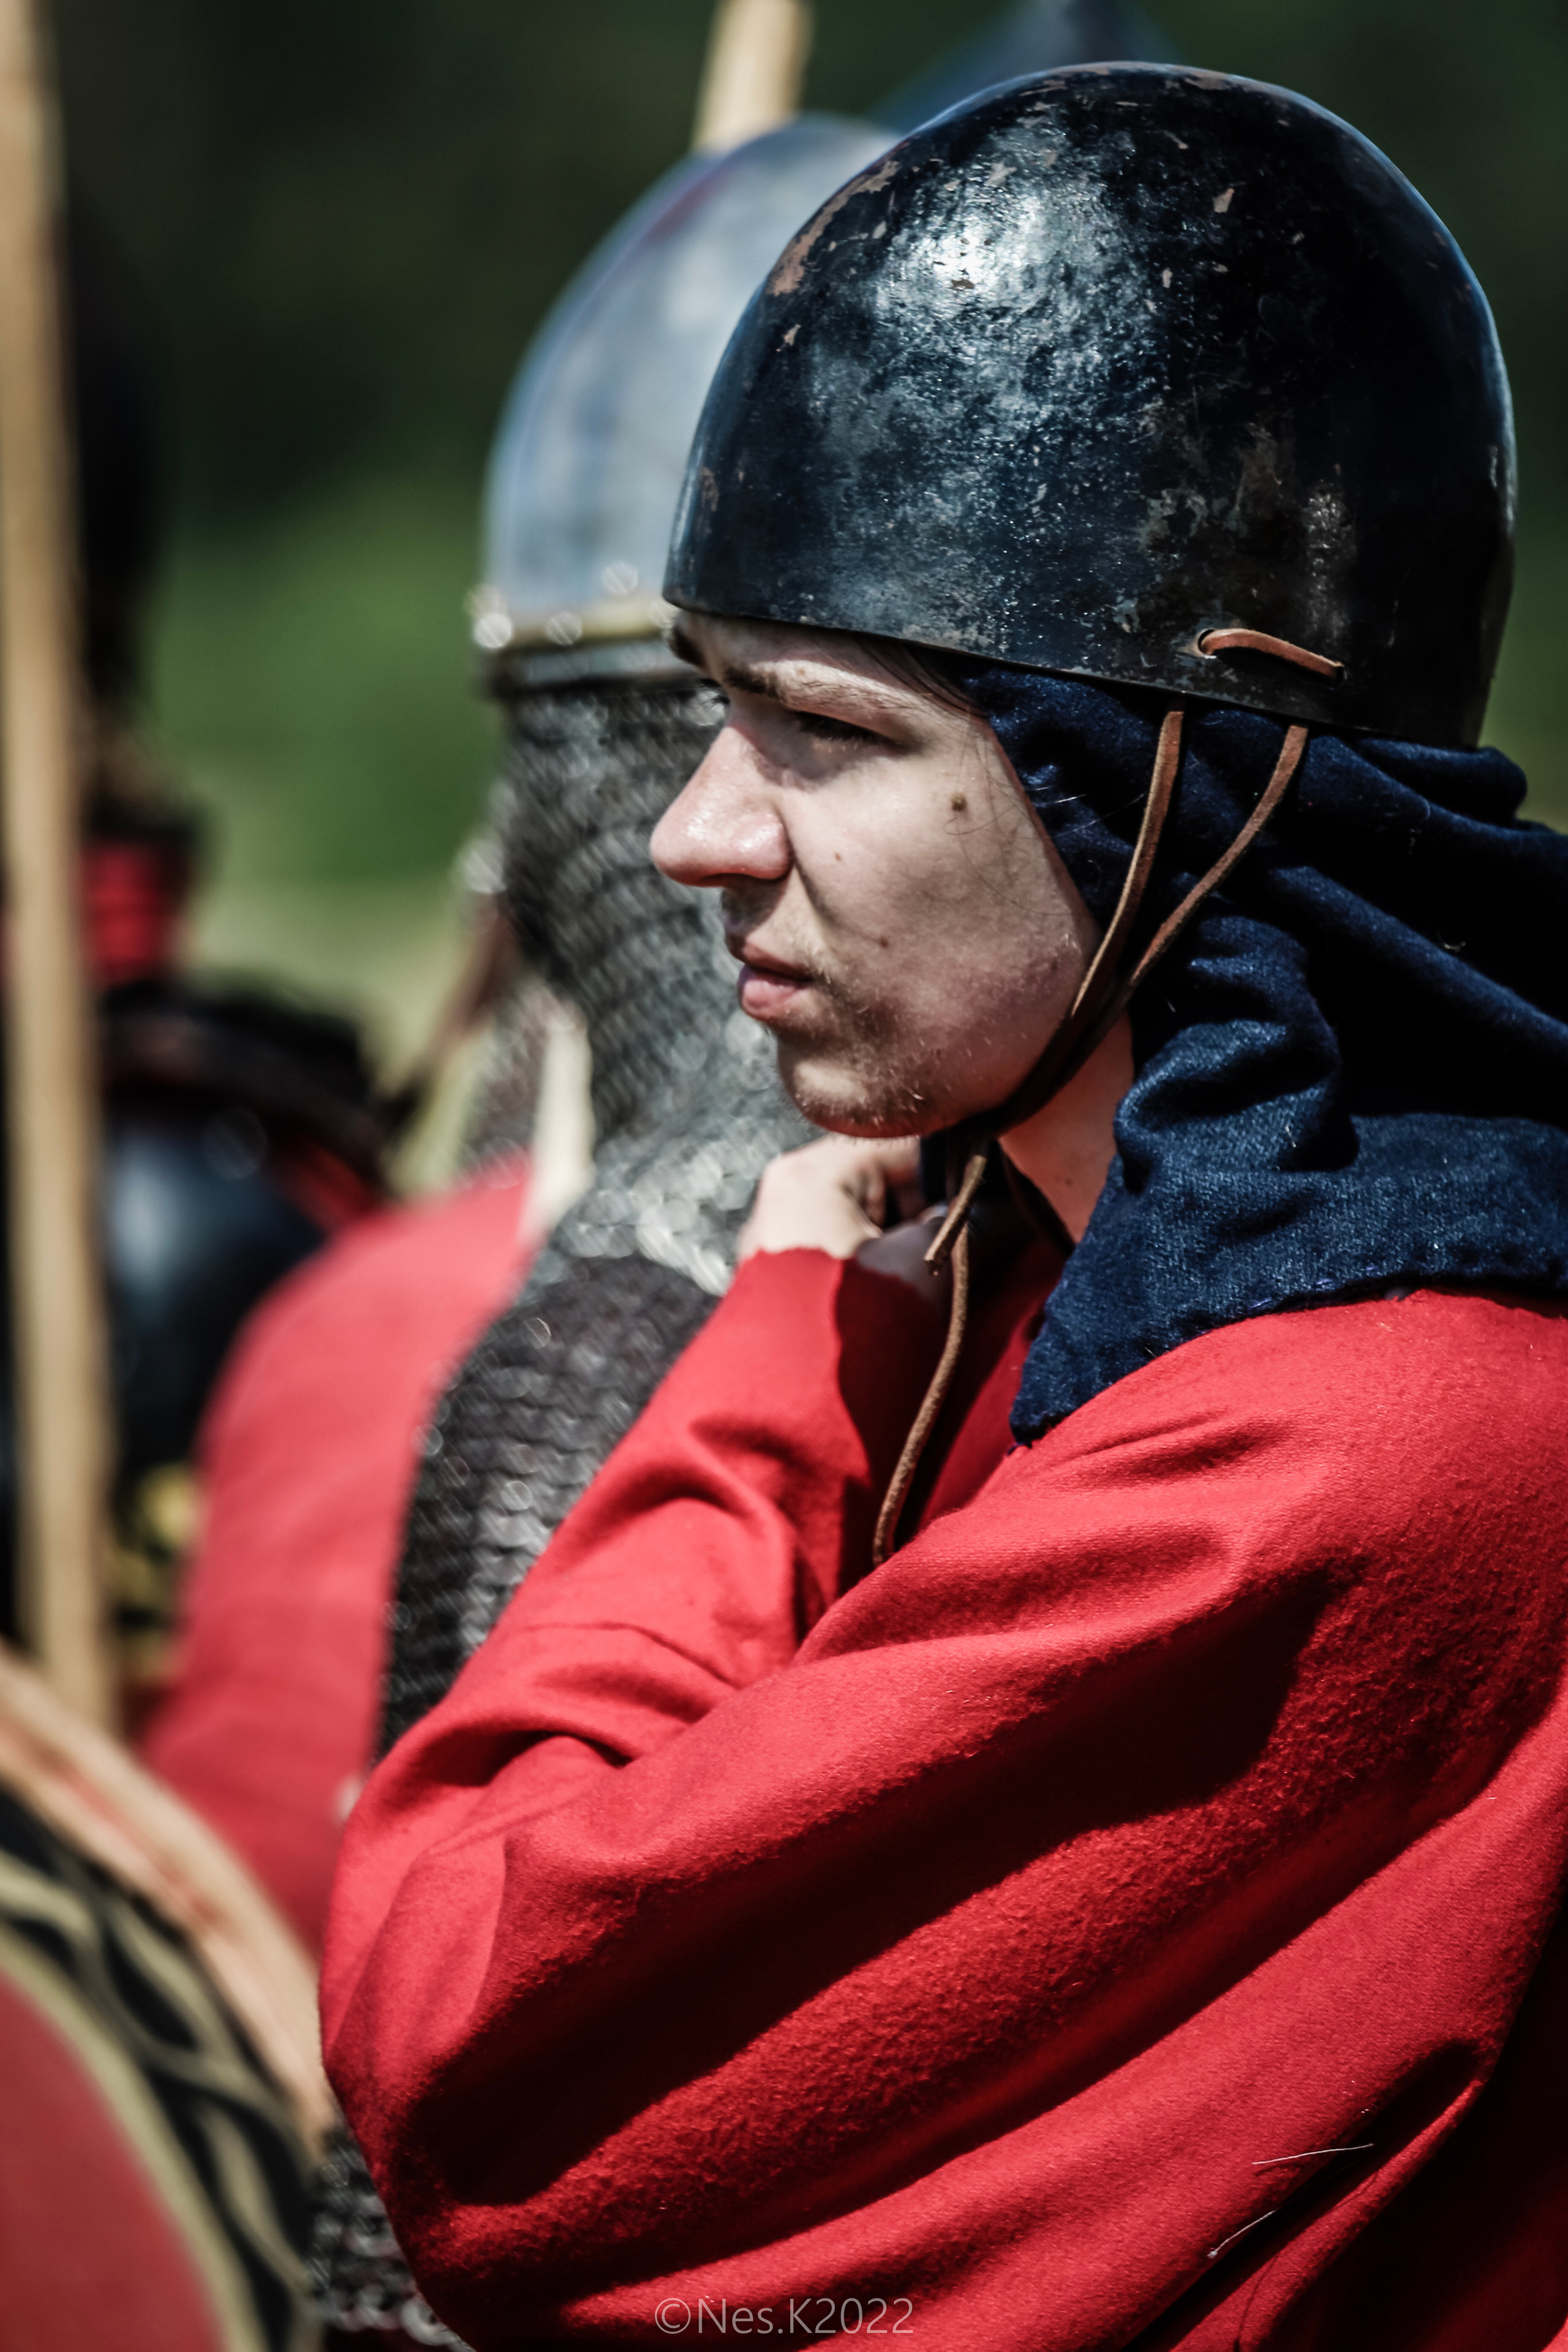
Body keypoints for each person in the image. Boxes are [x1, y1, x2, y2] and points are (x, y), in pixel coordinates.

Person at [324, 64, 1568, 2349]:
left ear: (1149, 774)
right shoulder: (1080, 1262)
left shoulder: (1363, 1451)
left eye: (826, 731)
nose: (703, 830)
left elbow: (490, 2070)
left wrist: (791, 1340)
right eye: (710, 715)